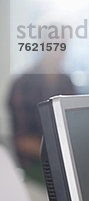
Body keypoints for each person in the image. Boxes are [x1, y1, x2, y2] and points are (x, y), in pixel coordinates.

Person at [7, 49, 76, 184]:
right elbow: (21, 140)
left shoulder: (67, 82)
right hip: (34, 169)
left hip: (66, 166)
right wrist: (59, 153)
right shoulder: (22, 84)